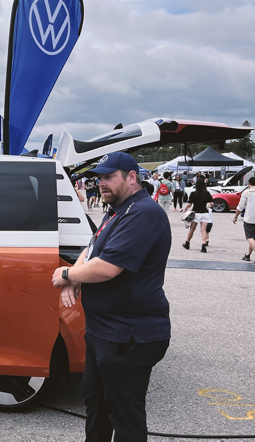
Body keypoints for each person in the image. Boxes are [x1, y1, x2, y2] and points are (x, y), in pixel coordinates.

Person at [51, 152, 171, 442]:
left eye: (108, 177)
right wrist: (76, 276)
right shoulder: (116, 210)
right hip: (104, 332)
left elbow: (107, 268)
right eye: (99, 178)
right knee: (97, 409)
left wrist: (65, 276)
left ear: (132, 177)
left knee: (125, 417)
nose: (101, 183)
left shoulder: (143, 213)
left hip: (128, 336)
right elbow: (90, 252)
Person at [182, 178, 213, 253]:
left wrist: (185, 209)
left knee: (192, 229)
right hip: (205, 213)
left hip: (196, 213)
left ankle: (187, 243)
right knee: (203, 230)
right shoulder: (207, 193)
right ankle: (203, 244)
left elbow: (189, 204)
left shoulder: (193, 193)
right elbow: (212, 203)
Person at [234, 177, 255, 263]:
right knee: (253, 238)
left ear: (248, 184)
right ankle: (247, 255)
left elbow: (240, 207)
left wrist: (236, 216)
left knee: (249, 237)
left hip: (249, 218)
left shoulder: (246, 192)